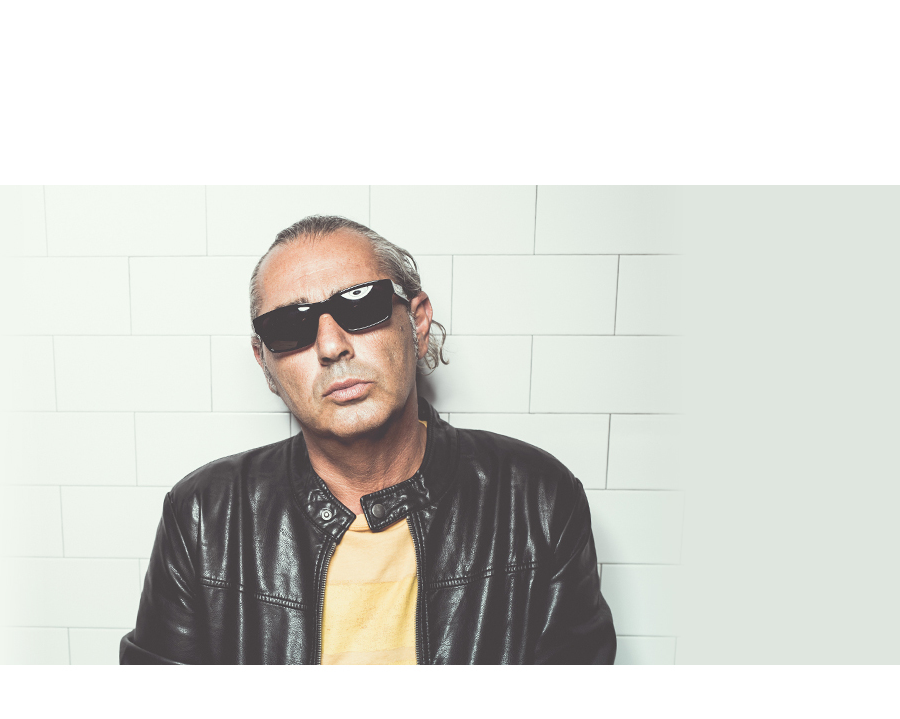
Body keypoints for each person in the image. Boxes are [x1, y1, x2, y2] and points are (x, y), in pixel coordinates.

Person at [119, 215, 615, 664]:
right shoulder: (204, 516)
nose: (331, 345)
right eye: (290, 325)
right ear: (264, 362)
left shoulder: (537, 500)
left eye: (361, 304)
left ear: (417, 322)